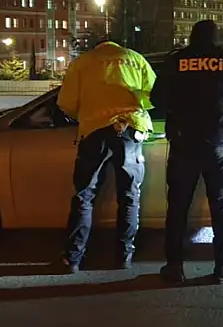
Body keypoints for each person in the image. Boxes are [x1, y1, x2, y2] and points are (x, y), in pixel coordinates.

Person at [151, 20, 223, 284]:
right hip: (219, 143)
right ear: (215, 37)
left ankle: (174, 267)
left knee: (178, 208)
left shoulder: (177, 60)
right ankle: (222, 267)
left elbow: (157, 98)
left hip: (184, 143)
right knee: (221, 208)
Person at [56, 37, 157, 273]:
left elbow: (67, 104)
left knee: (85, 195)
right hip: (131, 130)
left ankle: (72, 258)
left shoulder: (84, 62)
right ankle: (123, 256)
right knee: (129, 195)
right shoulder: (135, 59)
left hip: (95, 131)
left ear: (98, 47)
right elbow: (152, 96)